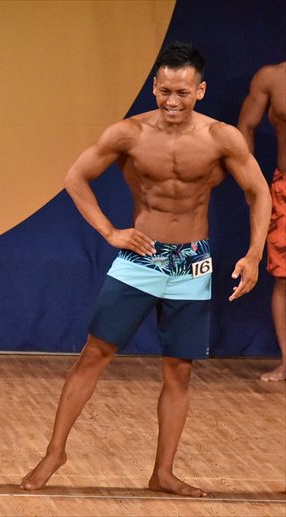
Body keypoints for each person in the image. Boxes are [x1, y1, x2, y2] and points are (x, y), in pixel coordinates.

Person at [20, 43, 271, 497]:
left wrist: (254, 254)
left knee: (179, 369)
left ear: (200, 90)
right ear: (154, 86)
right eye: (165, 91)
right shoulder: (128, 134)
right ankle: (55, 452)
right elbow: (75, 178)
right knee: (94, 354)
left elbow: (259, 192)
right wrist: (109, 232)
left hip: (192, 262)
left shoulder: (222, 138)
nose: (172, 101)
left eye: (182, 92)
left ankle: (163, 473)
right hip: (142, 257)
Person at [238, 62, 286, 382]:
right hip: (285, 188)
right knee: (284, 278)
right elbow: (245, 126)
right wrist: (250, 183)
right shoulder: (272, 78)